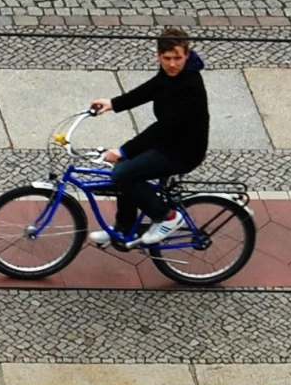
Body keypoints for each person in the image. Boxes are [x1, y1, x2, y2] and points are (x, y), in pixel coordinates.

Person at [87, 26, 210, 249]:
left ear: (187, 55)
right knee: (125, 169)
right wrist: (114, 104)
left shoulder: (189, 84)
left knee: (123, 173)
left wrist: (123, 150)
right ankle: (123, 229)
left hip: (183, 151)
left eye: (178, 58)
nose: (172, 64)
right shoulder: (172, 75)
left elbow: (164, 127)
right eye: (167, 58)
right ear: (158, 56)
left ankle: (167, 216)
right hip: (170, 143)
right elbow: (151, 89)